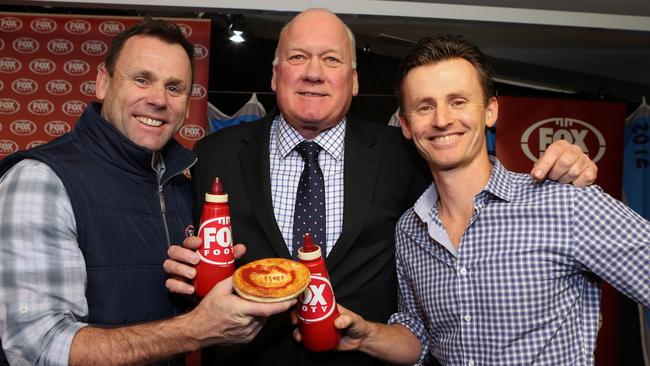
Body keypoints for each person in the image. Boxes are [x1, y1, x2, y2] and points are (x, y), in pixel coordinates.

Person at [164, 9, 598, 366]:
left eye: (331, 60)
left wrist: (560, 169)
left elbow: (465, 171)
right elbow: (193, 263)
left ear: (354, 80)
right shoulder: (214, 154)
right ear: (275, 76)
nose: (314, 73)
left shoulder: (401, 153)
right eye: (298, 57)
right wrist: (187, 270)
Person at [314, 34, 650, 365]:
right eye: (424, 106)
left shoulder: (563, 203)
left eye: (458, 101)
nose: (442, 119)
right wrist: (368, 335)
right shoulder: (409, 231)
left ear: (490, 111)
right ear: (405, 125)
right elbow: (422, 338)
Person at [0, 18, 294, 366]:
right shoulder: (41, 180)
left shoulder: (179, 185)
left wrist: (204, 287)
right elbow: (36, 347)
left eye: (175, 88)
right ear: (102, 83)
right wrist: (195, 328)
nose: (158, 100)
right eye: (142, 80)